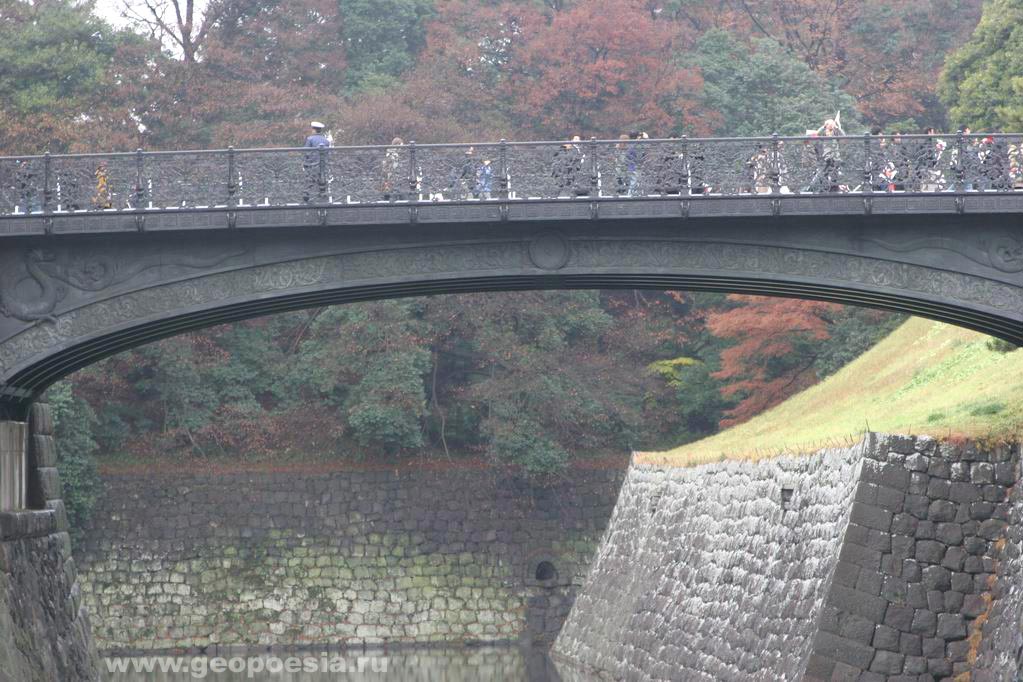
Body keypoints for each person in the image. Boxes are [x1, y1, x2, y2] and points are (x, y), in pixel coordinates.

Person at [303, 121, 331, 203]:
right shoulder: (326, 141)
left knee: (310, 179)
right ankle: (323, 194)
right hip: (323, 165)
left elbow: (306, 152)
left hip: (312, 164)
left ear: (314, 130)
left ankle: (306, 194)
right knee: (322, 179)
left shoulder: (310, 139)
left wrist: (305, 163)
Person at [383, 137, 405, 201]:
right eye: (401, 146)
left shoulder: (391, 152)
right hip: (391, 175)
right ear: (397, 145)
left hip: (392, 175)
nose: (401, 148)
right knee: (392, 191)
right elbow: (390, 165)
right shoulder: (392, 153)